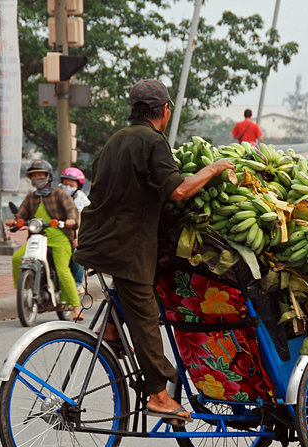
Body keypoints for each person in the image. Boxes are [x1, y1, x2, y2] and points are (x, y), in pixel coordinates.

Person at [75, 79, 235, 424]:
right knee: (147, 320)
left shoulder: (115, 140)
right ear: (164, 111)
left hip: (96, 239)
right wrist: (214, 168)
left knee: (136, 298)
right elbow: (177, 190)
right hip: (128, 246)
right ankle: (160, 396)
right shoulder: (153, 141)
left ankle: (115, 334)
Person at [7, 159, 81, 315]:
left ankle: (76, 306)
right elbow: (21, 215)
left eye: (41, 174)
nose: (38, 178)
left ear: (48, 176)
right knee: (16, 258)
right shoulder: (31, 197)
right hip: (37, 238)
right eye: (34, 175)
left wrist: (71, 220)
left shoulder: (59, 194)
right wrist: (15, 221)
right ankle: (24, 290)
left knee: (62, 270)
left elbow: (72, 211)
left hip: (59, 237)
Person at [60, 167, 90, 312]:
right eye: (65, 183)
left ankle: (78, 284)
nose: (67, 187)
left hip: (77, 235)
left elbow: (86, 220)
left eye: (71, 185)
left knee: (77, 254)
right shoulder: (56, 195)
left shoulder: (82, 200)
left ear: (78, 186)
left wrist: (79, 238)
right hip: (58, 233)